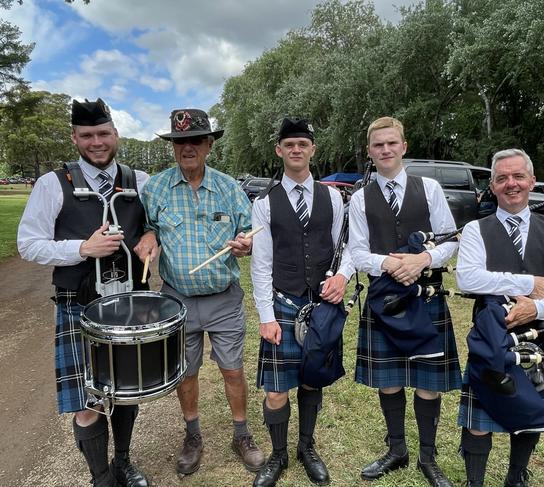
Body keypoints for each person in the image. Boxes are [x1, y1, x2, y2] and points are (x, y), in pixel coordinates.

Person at [17, 98, 153, 487]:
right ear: (75, 138)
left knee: (127, 390)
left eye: (104, 133)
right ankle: (101, 476)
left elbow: (156, 224)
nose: (97, 142)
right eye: (88, 135)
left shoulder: (139, 180)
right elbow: (29, 245)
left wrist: (150, 234)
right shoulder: (52, 184)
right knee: (87, 400)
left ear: (116, 134)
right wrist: (81, 248)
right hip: (79, 305)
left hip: (129, 305)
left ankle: (124, 461)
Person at [455, 148, 544, 487]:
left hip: (542, 334)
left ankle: (516, 477)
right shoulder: (476, 229)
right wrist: (528, 283)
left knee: (531, 408)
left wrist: (538, 308)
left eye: (518, 176)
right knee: (479, 418)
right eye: (502, 178)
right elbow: (467, 278)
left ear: (532, 181)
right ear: (492, 186)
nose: (510, 184)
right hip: (492, 335)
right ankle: (475, 482)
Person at [138, 108, 264, 476]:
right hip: (176, 299)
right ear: (172, 147)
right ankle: (192, 435)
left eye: (195, 140)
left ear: (209, 145)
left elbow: (250, 235)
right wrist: (148, 236)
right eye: (180, 142)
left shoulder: (229, 188)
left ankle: (241, 434)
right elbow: (149, 228)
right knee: (186, 372)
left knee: (232, 369)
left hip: (223, 299)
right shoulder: (156, 188)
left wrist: (245, 245)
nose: (187, 147)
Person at [347, 116, 462, 486]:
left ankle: (428, 458)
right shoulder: (359, 197)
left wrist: (423, 260)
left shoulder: (429, 188)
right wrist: (392, 264)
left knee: (429, 381)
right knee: (390, 380)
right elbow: (357, 252)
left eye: (391, 143)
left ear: (403, 146)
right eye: (378, 145)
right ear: (370, 151)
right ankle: (396, 449)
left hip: (426, 296)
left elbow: (450, 241)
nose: (385, 150)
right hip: (384, 298)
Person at [250, 118, 354, 487]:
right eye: (289, 144)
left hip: (321, 306)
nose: (296, 149)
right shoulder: (264, 203)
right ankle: (278, 455)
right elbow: (260, 264)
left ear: (313, 149)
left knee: (313, 380)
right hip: (283, 302)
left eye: (303, 143)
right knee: (277, 388)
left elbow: (347, 248)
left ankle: (306, 447)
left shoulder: (332, 197)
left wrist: (342, 276)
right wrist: (266, 315)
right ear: (279, 150)